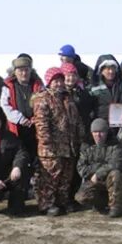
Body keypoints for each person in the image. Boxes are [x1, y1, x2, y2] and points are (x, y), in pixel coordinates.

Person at [33, 67, 85, 216]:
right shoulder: (42, 98)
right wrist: (46, 143)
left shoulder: (68, 98)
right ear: (49, 82)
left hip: (69, 145)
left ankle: (62, 201)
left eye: (60, 80)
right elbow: (41, 123)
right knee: (50, 177)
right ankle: (46, 204)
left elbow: (77, 120)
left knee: (65, 176)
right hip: (51, 147)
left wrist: (80, 137)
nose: (59, 84)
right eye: (55, 81)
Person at [75, 118, 122, 218]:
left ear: (106, 132)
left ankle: (116, 206)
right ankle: (100, 203)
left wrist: (98, 173)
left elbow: (117, 163)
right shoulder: (86, 145)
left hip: (110, 180)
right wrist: (95, 173)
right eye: (95, 132)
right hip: (94, 180)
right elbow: (81, 167)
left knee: (116, 174)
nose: (98, 135)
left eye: (101, 132)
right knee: (81, 197)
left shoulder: (116, 144)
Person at [90, 55, 122, 137]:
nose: (111, 71)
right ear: (101, 70)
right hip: (101, 130)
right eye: (107, 69)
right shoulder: (93, 89)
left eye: (113, 68)